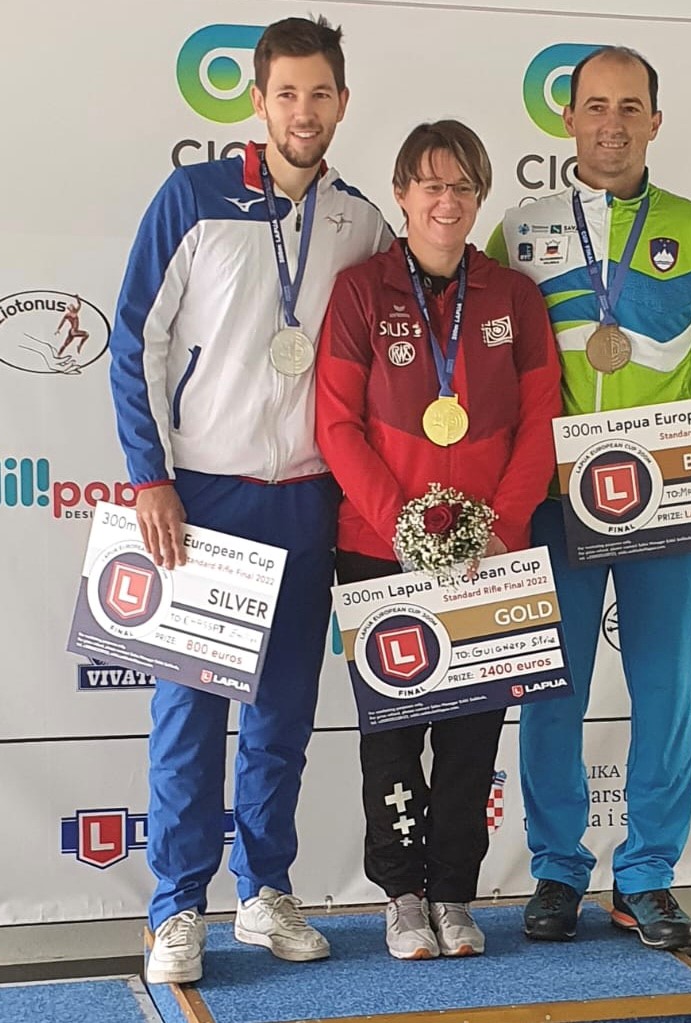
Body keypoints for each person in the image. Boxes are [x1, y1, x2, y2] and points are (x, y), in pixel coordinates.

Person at [107, 16, 390, 984]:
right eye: (286, 94)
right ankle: (176, 907)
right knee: (189, 715)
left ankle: (264, 891)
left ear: (342, 104)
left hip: (310, 503)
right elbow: (132, 342)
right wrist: (152, 476)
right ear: (258, 100)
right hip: (204, 499)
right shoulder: (192, 198)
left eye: (320, 94)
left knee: (281, 714)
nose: (303, 112)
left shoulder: (360, 221)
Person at [488, 46, 691, 950]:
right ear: (567, 118)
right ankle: (555, 868)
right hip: (553, 501)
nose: (611, 122)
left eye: (630, 106)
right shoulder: (520, 228)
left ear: (655, 121)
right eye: (594, 105)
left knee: (666, 692)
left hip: (670, 500)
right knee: (551, 693)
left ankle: (649, 873)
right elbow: (495, 372)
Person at [316, 120, 561, 960]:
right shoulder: (359, 292)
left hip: (491, 553)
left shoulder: (515, 297)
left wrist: (496, 527)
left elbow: (541, 422)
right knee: (390, 733)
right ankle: (403, 894)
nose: (445, 200)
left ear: (479, 196)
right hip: (379, 548)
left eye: (461, 185)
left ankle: (455, 890)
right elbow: (337, 426)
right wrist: (405, 529)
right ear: (401, 194)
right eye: (429, 184)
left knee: (471, 734)